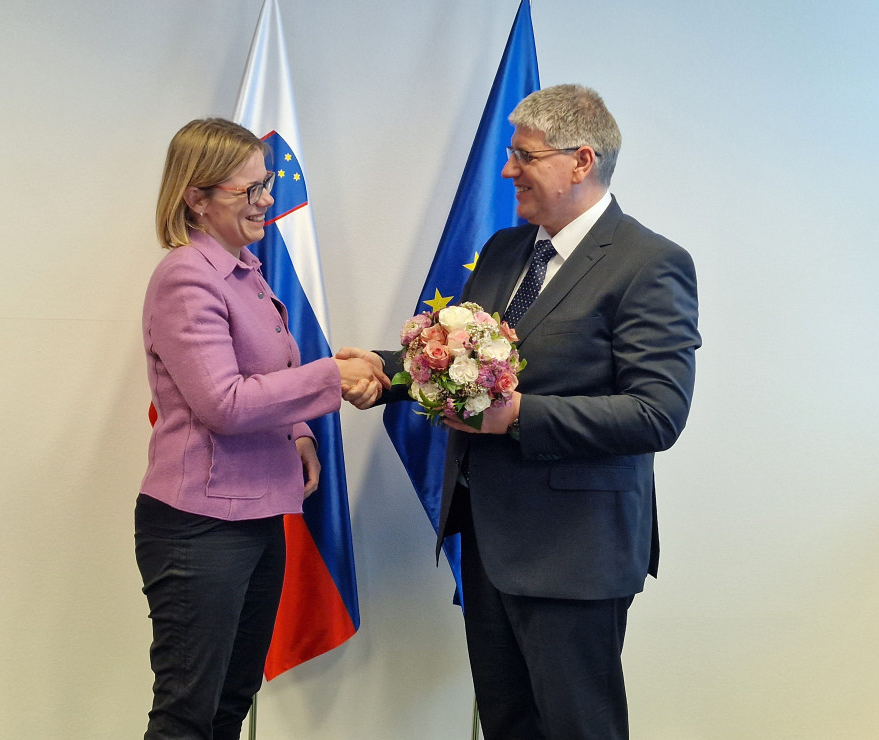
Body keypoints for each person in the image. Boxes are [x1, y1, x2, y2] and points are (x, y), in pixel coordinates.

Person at [340, 84, 701, 739]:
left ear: (581, 161)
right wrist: (382, 370)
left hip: (576, 549)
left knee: (577, 727)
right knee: (508, 723)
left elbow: (658, 413)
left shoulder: (650, 265)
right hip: (487, 538)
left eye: (523, 155)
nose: (507, 170)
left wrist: (521, 417)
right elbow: (461, 360)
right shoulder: (508, 251)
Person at [135, 117, 388, 740]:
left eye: (266, 183)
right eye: (249, 190)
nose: (267, 200)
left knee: (230, 701)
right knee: (187, 712)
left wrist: (301, 432)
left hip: (254, 514)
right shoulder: (187, 276)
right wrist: (334, 374)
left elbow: (273, 368)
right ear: (196, 197)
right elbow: (223, 402)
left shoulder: (245, 269)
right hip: (199, 525)